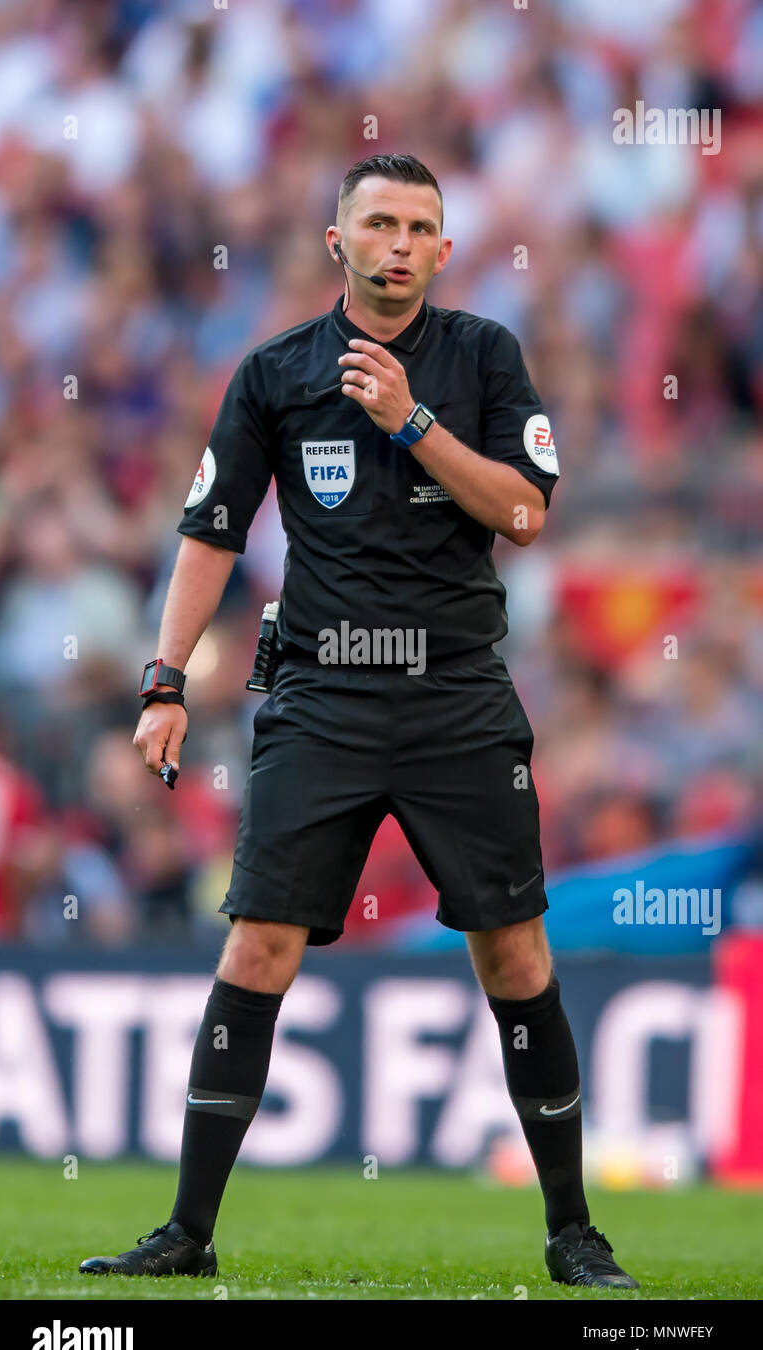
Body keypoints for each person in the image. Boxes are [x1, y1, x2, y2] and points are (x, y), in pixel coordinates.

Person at [80, 154, 638, 1289]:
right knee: (258, 945)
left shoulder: (484, 358)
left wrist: (413, 418)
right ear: (337, 242)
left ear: (443, 250)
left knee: (516, 953)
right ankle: (186, 1232)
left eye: (419, 226)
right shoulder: (275, 373)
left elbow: (524, 512)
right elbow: (212, 530)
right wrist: (164, 679)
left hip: (455, 693)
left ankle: (574, 1234)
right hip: (322, 696)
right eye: (377, 222)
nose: (398, 242)